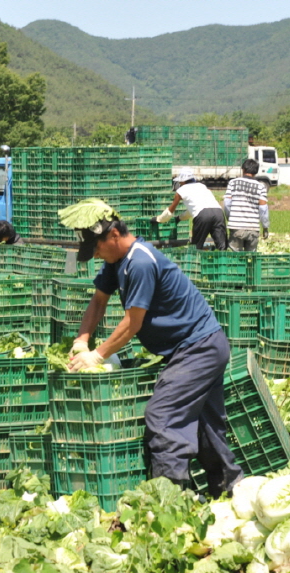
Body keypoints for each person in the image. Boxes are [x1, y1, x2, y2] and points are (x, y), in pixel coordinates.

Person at [66, 206, 242, 497]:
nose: (95, 255)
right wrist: (81, 341)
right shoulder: (116, 260)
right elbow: (98, 301)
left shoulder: (140, 262)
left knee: (163, 416)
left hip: (199, 348)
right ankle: (231, 490)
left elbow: (132, 323)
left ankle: (169, 499)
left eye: (96, 247)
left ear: (114, 235)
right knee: (206, 426)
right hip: (196, 347)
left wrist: (96, 356)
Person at [155, 168, 227, 250]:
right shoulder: (202, 186)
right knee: (222, 246)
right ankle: (224, 257)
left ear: (183, 181)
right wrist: (179, 218)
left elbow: (171, 210)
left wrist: (159, 219)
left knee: (196, 247)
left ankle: (197, 256)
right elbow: (194, 210)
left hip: (203, 216)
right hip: (218, 213)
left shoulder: (180, 191)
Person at [223, 159, 270, 251]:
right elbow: (263, 209)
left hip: (236, 227)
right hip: (253, 228)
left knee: (235, 257)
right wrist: (265, 227)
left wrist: (230, 218)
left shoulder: (233, 183)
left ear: (243, 169)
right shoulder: (261, 187)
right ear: (256, 172)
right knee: (250, 257)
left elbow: (227, 203)